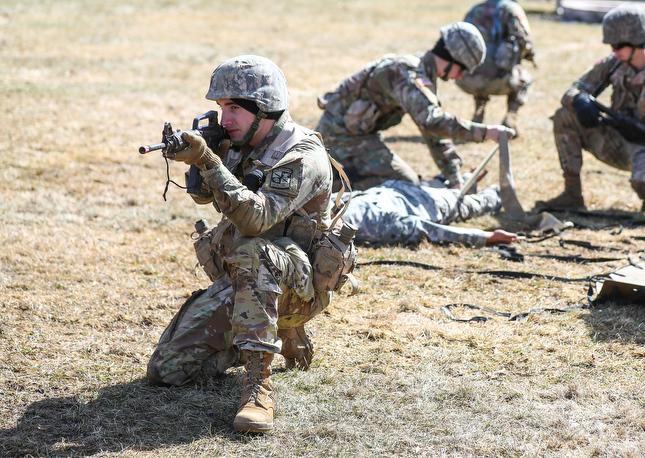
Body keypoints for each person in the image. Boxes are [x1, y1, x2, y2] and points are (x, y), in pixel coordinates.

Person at [146, 55, 336, 433]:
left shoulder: (301, 156)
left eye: (233, 108)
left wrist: (209, 161)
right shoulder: (239, 142)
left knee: (253, 249)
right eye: (220, 108)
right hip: (246, 281)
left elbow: (256, 220)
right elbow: (204, 198)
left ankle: (258, 388)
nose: (224, 118)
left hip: (298, 284)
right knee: (166, 372)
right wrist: (202, 162)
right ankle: (269, 333)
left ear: (264, 109)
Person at [536, 3, 645, 218]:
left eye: (618, 45)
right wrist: (580, 101)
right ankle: (572, 195)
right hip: (616, 142)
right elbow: (574, 89)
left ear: (637, 42)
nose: (613, 50)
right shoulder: (614, 63)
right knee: (564, 116)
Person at [316, 22, 516, 191]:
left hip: (355, 135)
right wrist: (486, 132)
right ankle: (327, 188)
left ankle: (334, 177)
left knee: (406, 182)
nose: (461, 76)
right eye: (462, 69)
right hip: (339, 137)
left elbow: (433, 133)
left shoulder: (422, 72)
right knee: (403, 183)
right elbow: (433, 123)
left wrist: (454, 180)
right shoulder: (408, 75)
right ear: (451, 58)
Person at [341, 179, 518, 247]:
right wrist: (485, 236)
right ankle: (496, 192)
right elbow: (428, 230)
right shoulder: (374, 226)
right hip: (427, 204)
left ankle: (461, 180)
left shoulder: (328, 208)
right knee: (473, 203)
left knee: (456, 188)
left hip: (401, 188)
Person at [456, 0, 535, 133]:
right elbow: (524, 41)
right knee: (524, 80)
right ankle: (511, 116)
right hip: (498, 79)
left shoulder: (475, 9)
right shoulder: (511, 9)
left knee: (481, 69)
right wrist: (529, 55)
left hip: (465, 79)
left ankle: (478, 111)